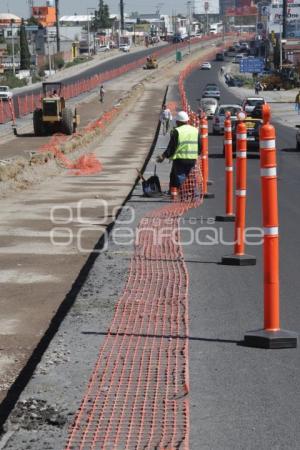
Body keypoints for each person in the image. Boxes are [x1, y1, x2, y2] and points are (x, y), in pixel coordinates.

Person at [156, 111, 201, 192]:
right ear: (187, 121)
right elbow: (200, 146)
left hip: (180, 159)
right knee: (187, 177)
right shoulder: (195, 130)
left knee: (180, 178)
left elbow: (171, 148)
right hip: (192, 159)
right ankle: (185, 193)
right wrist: (197, 154)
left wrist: (163, 156)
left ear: (178, 122)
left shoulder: (177, 131)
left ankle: (184, 193)